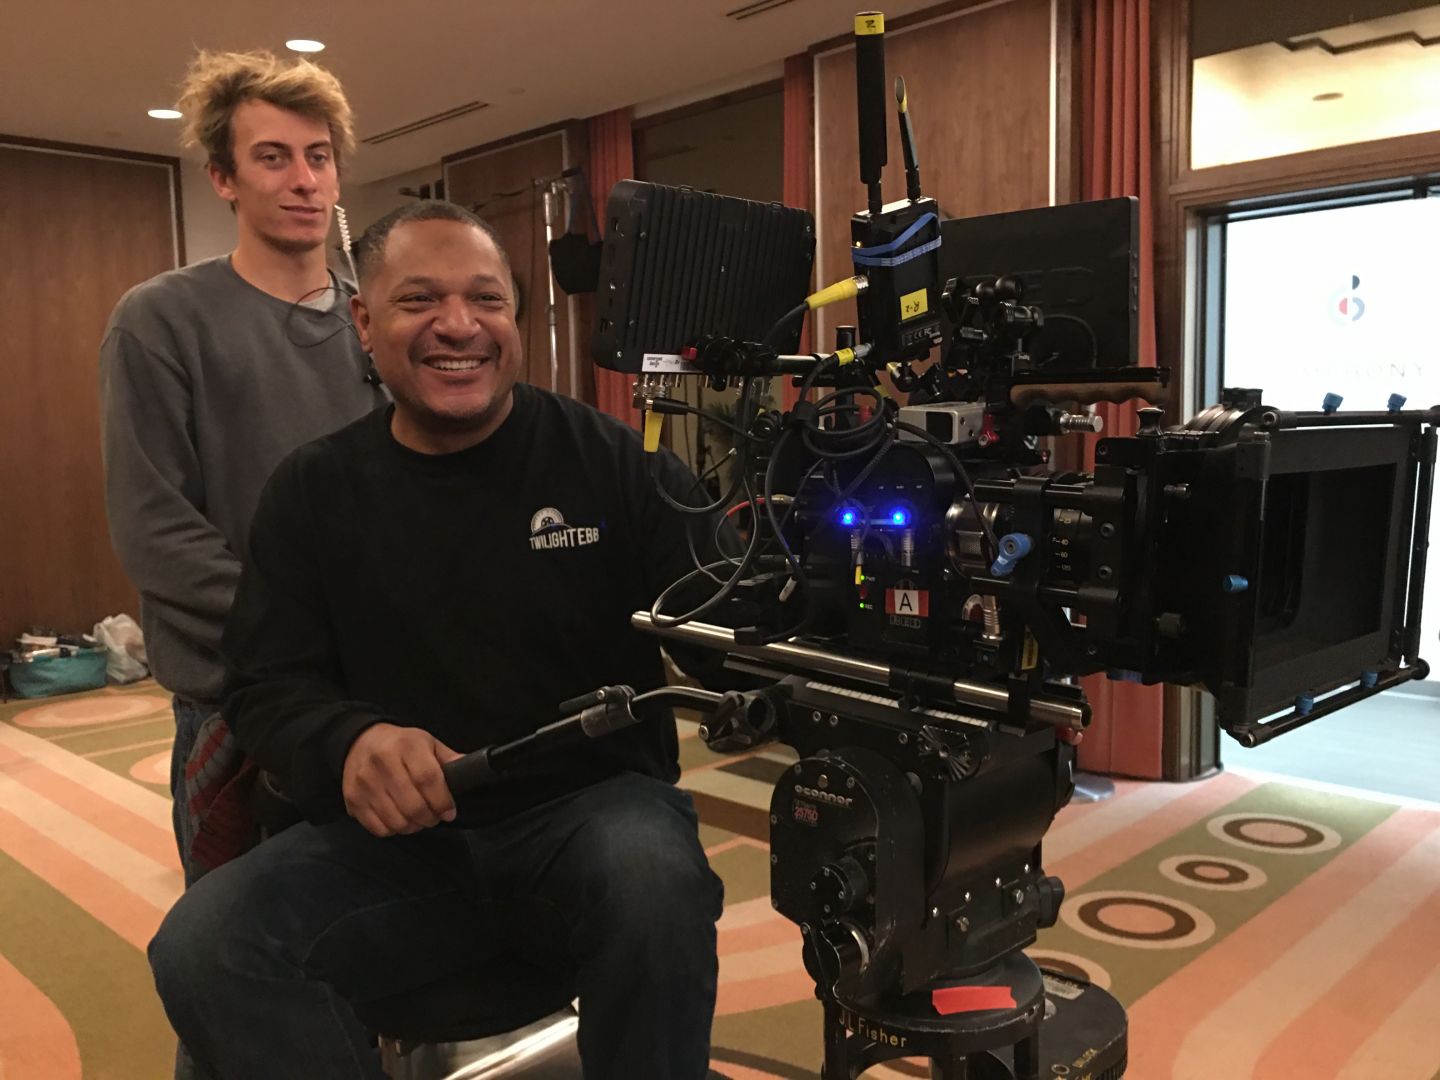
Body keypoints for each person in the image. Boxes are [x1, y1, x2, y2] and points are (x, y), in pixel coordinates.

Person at [147, 200, 728, 1079]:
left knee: (654, 877)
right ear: (363, 321)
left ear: (516, 320)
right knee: (205, 944)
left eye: (486, 299)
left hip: (591, 816)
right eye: (419, 300)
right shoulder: (312, 491)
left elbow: (727, 631)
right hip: (393, 851)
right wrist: (350, 741)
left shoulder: (612, 461)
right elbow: (265, 686)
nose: (459, 326)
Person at [99, 50, 386, 883]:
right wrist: (306, 629)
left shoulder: (378, 319)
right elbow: (155, 529)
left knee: (394, 932)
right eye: (273, 157)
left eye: (318, 156)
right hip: (239, 705)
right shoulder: (161, 320)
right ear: (224, 178)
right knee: (245, 943)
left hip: (384, 690)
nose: (303, 180)